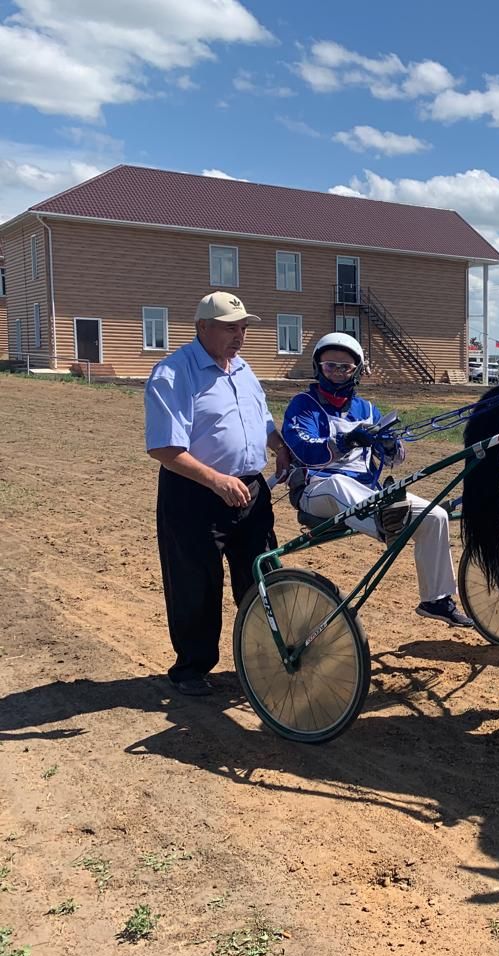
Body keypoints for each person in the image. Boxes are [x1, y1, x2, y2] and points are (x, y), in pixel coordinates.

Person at [145, 292, 291, 696]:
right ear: (203, 327)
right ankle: (191, 669)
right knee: (196, 582)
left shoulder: (243, 370)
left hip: (249, 490)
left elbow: (261, 420)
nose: (239, 336)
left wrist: (279, 446)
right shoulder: (174, 374)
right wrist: (215, 480)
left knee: (262, 575)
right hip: (195, 495)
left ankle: (263, 660)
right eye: (230, 327)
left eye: (243, 327)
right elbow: (164, 448)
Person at [281, 332, 474, 627]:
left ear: (356, 371)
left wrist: (388, 446)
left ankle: (436, 600)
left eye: (344, 367)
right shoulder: (303, 405)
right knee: (338, 484)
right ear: (318, 366)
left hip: (366, 496)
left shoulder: (368, 409)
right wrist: (345, 442)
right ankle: (389, 525)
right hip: (316, 490)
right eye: (330, 365)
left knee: (435, 516)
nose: (336, 373)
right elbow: (303, 449)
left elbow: (398, 457)